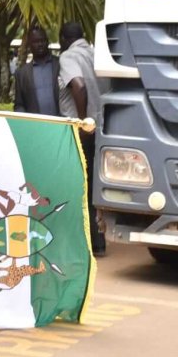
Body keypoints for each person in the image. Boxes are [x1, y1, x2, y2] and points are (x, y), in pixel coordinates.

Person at [58, 22, 106, 257]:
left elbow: (78, 86)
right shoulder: (96, 54)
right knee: (93, 187)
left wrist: (82, 121)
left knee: (77, 185)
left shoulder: (68, 57)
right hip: (102, 129)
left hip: (82, 130)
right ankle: (98, 242)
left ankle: (80, 243)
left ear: (64, 38)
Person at [14, 26, 60, 115]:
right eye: (36, 41)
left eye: (42, 40)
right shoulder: (22, 73)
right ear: (29, 45)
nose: (40, 44)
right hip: (36, 126)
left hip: (62, 124)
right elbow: (19, 104)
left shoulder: (60, 65)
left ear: (47, 42)